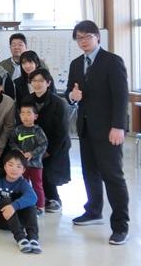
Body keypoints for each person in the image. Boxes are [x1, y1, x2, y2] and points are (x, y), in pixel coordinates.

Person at [66, 20, 129, 245]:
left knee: (112, 176)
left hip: (109, 129)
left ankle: (120, 225)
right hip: (85, 129)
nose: (83, 41)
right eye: (79, 38)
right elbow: (70, 93)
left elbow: (121, 96)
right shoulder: (76, 64)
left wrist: (118, 126)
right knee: (89, 172)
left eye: (87, 36)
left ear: (97, 37)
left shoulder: (112, 61)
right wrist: (72, 97)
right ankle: (93, 211)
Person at [25, 68, 71, 214]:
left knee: (49, 173)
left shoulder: (58, 103)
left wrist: (48, 151)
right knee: (35, 172)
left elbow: (62, 131)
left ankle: (54, 199)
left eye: (41, 81)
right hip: (33, 144)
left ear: (48, 83)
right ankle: (39, 199)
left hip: (55, 145)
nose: (37, 84)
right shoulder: (27, 100)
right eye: (34, 81)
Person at [0, 150, 42, 254]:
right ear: (4, 166)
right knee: (6, 200)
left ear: (23, 170)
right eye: (10, 165)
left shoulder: (22, 183)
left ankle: (33, 238)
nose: (14, 169)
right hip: (1, 220)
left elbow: (33, 197)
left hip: (18, 220)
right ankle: (21, 238)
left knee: (30, 205)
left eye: (19, 166)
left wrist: (14, 206)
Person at [9, 102, 48, 215]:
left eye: (29, 113)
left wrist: (32, 154)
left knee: (37, 186)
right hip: (21, 165)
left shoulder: (37, 130)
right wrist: (18, 151)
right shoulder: (17, 130)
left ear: (35, 116)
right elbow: (12, 142)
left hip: (36, 165)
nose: (25, 116)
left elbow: (43, 145)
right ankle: (23, 205)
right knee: (22, 185)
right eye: (23, 113)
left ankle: (40, 207)